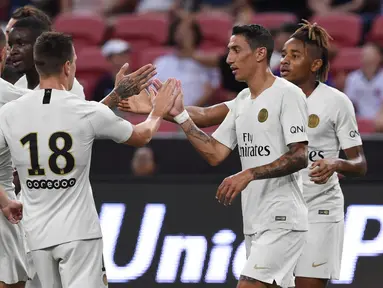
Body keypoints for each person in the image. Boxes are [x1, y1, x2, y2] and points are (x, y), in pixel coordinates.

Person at [0, 31, 179, 288]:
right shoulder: (85, 110)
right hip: (78, 234)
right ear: (68, 66)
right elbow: (141, 136)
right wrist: (157, 112)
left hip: (33, 235)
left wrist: (6, 201)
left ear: (38, 65)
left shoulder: (9, 112)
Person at [171, 24, 309, 288]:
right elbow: (214, 152)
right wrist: (177, 116)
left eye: (235, 50)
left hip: (282, 218)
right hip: (255, 219)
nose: (228, 59)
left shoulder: (288, 94)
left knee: (248, 285)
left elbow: (300, 155)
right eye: (228, 51)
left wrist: (250, 173)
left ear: (259, 54)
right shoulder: (242, 101)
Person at [280, 20, 367, 288]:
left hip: (320, 210)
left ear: (315, 65)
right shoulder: (271, 98)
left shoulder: (336, 102)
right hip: (278, 211)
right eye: (284, 54)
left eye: (295, 56)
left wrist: (336, 162)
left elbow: (360, 163)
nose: (284, 61)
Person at [0, 28, 29, 288]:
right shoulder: (7, 94)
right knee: (13, 282)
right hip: (3, 205)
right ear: (2, 52)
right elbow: (64, 112)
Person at [7, 15, 85, 98]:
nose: (12, 52)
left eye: (21, 44)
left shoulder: (69, 87)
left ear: (40, 46)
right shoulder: (18, 86)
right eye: (11, 45)